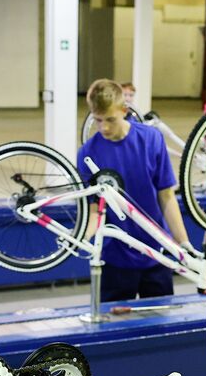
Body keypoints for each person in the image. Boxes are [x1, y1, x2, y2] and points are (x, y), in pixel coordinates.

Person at [77, 78, 197, 301]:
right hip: (115, 260)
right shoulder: (87, 153)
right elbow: (95, 210)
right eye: (97, 120)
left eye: (110, 120)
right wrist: (80, 238)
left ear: (124, 110)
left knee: (161, 326)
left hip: (156, 254)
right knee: (114, 329)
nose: (104, 127)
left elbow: (167, 196)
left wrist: (184, 243)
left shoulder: (151, 140)